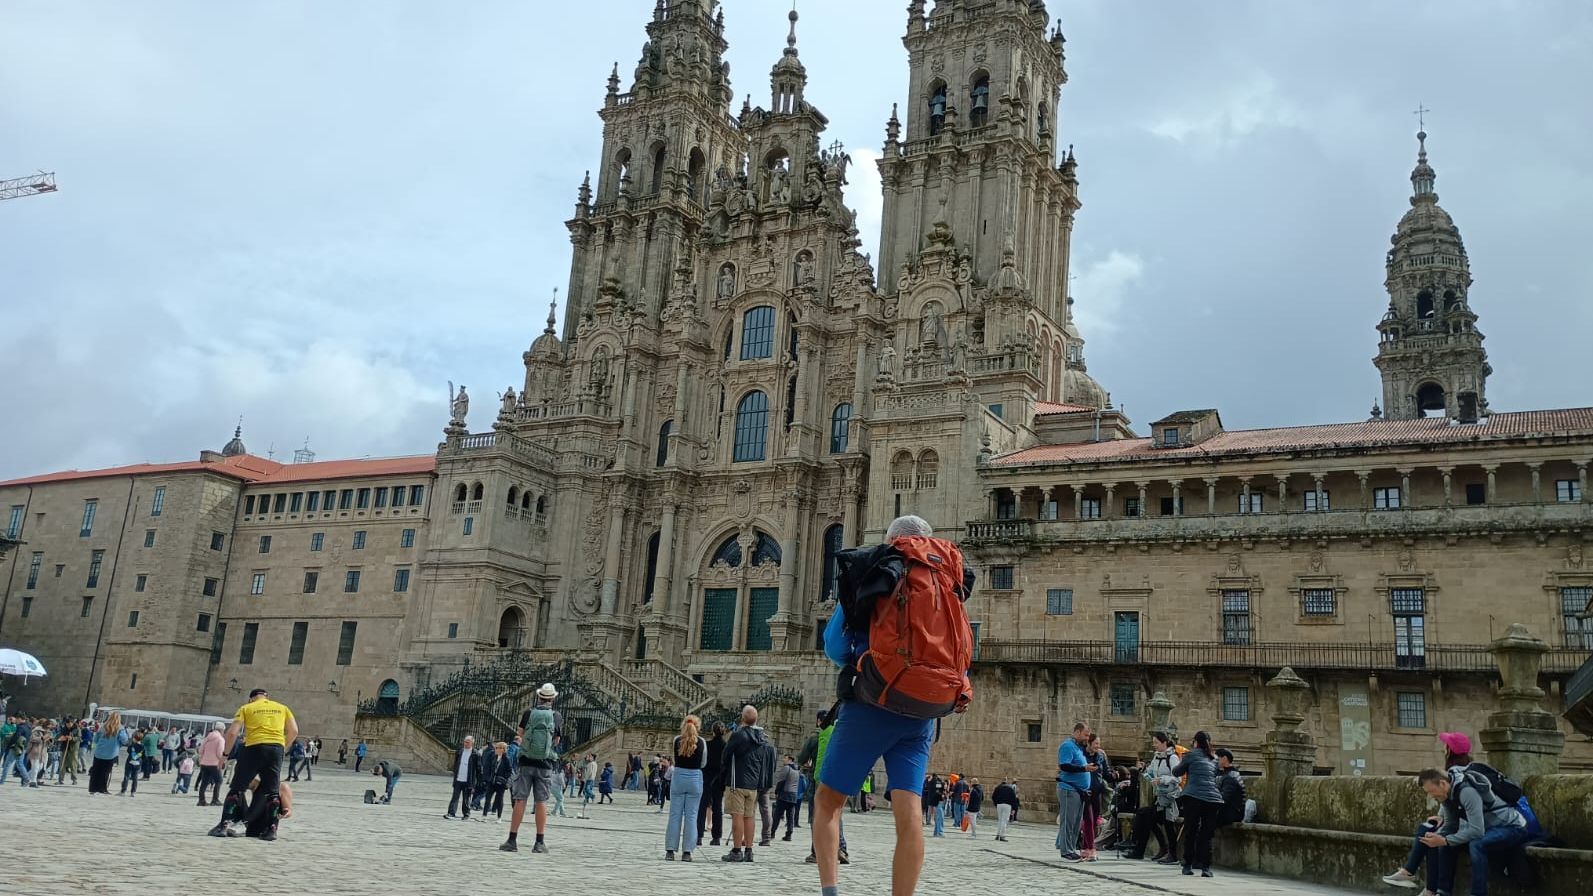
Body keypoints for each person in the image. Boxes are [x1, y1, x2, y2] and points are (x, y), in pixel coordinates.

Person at [814, 514, 974, 896]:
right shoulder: (948, 581)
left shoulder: (877, 568)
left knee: (828, 802)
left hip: (871, 704)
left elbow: (835, 647)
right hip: (923, 712)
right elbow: (966, 651)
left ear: (892, 541)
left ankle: (831, 891)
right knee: (910, 812)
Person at [1402, 766, 1532, 896]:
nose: (1431, 796)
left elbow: (1477, 831)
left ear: (1442, 783)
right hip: (1489, 828)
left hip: (1512, 827)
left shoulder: (1467, 792)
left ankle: (1478, 893)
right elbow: (1451, 826)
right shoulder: (1446, 796)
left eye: (1431, 791)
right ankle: (1442, 891)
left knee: (1476, 844)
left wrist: (1445, 840)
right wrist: (1437, 837)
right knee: (1443, 843)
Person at [209, 688, 298, 840]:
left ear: (251, 699)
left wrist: (225, 755)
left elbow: (232, 733)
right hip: (275, 747)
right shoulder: (282, 708)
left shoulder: (246, 708)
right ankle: (271, 830)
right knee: (273, 792)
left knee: (236, 788)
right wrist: (282, 747)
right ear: (267, 697)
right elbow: (294, 731)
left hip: (254, 746)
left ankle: (224, 825)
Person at [500, 682, 562, 854]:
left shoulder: (529, 713)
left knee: (520, 800)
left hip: (526, 762)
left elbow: (520, 734)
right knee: (541, 802)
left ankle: (512, 840)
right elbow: (556, 741)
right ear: (552, 699)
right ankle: (539, 842)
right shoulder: (556, 716)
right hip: (545, 764)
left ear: (539, 697)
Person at [1164, 731, 1223, 878]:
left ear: (1195, 742)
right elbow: (1214, 775)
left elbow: (1177, 772)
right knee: (1206, 834)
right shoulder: (1214, 758)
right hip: (1213, 799)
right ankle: (1206, 868)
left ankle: (1187, 865)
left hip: (1193, 796)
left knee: (1191, 831)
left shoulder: (1190, 755)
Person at [720, 704, 771, 863]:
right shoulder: (762, 737)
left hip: (737, 781)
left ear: (743, 718)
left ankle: (736, 850)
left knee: (737, 816)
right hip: (753, 784)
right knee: (750, 817)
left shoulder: (738, 735)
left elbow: (726, 755)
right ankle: (749, 850)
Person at [1126, 732, 1186, 862]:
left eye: (1156, 743)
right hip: (1160, 796)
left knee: (1167, 823)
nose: (1154, 745)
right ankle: (1140, 847)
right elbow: (1150, 772)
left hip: (1171, 798)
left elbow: (1177, 778)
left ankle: (1171, 854)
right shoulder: (1156, 757)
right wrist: (1146, 773)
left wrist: (1162, 780)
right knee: (1147, 816)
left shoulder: (1173, 758)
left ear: (1164, 743)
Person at [665, 715, 706, 861]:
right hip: (694, 777)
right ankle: (687, 851)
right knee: (692, 816)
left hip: (679, 776)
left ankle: (670, 849)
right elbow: (703, 763)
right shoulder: (701, 742)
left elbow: (675, 757)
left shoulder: (677, 740)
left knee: (675, 815)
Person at [1056, 722, 1094, 862]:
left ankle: (1071, 849)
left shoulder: (1079, 748)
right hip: (1069, 789)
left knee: (1076, 822)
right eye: (1085, 735)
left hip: (1079, 791)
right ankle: (1066, 851)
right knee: (1068, 821)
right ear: (1077, 732)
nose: (1087, 738)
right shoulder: (1067, 746)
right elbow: (1064, 765)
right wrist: (1084, 769)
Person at [697, 721, 728, 848]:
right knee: (717, 808)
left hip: (706, 778)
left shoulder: (707, 745)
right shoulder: (726, 746)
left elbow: (702, 762)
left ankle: (698, 836)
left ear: (713, 731)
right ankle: (716, 837)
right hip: (719, 779)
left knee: (702, 807)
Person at [88, 712, 128, 795]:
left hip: (99, 751)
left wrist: (95, 745)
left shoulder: (103, 726)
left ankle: (93, 788)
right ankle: (102, 788)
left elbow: (96, 738)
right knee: (105, 772)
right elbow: (124, 740)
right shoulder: (120, 728)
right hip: (111, 753)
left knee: (96, 771)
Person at [446, 734, 479, 820]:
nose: (466, 743)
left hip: (468, 780)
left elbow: (478, 769)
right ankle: (451, 813)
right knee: (455, 797)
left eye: (468, 742)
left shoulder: (475, 754)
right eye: (465, 742)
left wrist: (476, 783)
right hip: (458, 778)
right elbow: (456, 763)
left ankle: (466, 814)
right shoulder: (460, 751)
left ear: (472, 743)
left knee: (466, 798)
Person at [196, 721, 227, 807]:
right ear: (221, 730)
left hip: (204, 763)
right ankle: (215, 799)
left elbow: (200, 750)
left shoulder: (207, 738)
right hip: (214, 764)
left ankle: (201, 800)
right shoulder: (220, 739)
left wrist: (202, 759)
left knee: (204, 782)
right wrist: (222, 760)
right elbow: (219, 753)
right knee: (219, 781)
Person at [1214, 749, 1247, 828]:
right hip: (1225, 809)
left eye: (1218, 759)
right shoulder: (1219, 773)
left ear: (1224, 759)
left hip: (1232, 811)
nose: (1216, 762)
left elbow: (1225, 797)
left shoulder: (1233, 775)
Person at [775, 754, 803, 841]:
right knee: (790, 816)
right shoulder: (798, 770)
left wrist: (777, 792)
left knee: (777, 815)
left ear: (790, 759)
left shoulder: (787, 768)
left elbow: (781, 781)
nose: (783, 760)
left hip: (784, 795)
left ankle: (771, 833)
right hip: (793, 795)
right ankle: (789, 834)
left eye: (785, 758)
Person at [487, 741, 512, 821]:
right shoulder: (493, 757)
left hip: (501, 782)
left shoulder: (506, 759)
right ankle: (484, 815)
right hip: (492, 781)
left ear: (503, 749)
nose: (496, 749)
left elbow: (509, 770)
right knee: (488, 798)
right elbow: (489, 768)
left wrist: (503, 778)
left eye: (497, 748)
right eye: (496, 748)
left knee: (499, 799)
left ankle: (499, 817)